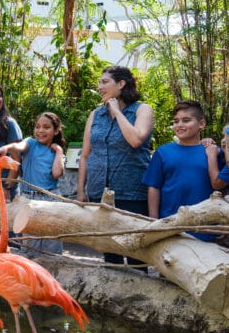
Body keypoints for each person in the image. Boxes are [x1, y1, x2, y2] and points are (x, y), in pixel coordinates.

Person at [77, 65, 154, 266]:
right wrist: (80, 192)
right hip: (97, 192)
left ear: (121, 84)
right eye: (99, 82)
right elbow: (85, 155)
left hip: (132, 192)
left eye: (105, 82)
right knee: (109, 251)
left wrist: (117, 112)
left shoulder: (142, 110)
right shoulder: (95, 115)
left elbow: (136, 140)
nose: (100, 87)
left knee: (136, 251)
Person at [0, 111, 66, 254]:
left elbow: (57, 173)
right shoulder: (30, 143)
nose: (40, 131)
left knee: (51, 245)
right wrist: (6, 148)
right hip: (28, 199)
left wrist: (59, 150)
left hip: (50, 198)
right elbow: (18, 147)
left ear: (56, 131)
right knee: (30, 246)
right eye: (37, 126)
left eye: (46, 127)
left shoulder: (56, 152)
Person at [143, 100, 215, 242]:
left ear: (201, 124)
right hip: (170, 224)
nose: (180, 125)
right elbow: (154, 187)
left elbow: (222, 186)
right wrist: (153, 220)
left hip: (206, 226)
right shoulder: (163, 152)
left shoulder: (213, 152)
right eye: (176, 121)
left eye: (186, 120)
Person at [205, 122, 229, 193]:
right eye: (223, 136)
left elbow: (216, 184)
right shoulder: (223, 152)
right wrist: (206, 141)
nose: (224, 140)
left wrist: (211, 155)